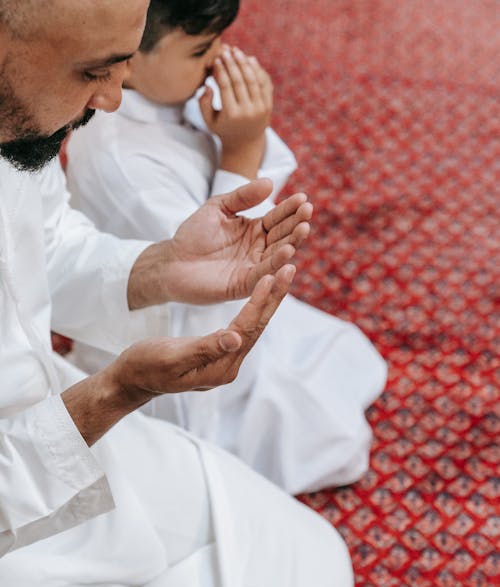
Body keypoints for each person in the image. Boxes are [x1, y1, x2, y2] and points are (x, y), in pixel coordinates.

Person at [0, 2, 353, 587]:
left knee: (311, 556)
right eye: (93, 71)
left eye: (123, 64)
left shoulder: (21, 124)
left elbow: (47, 243)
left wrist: (161, 267)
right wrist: (114, 394)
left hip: (54, 426)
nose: (112, 101)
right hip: (24, 493)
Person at [66, 0, 388, 495]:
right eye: (200, 49)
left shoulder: (164, 95)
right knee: (332, 441)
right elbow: (213, 270)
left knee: (339, 359)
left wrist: (238, 131)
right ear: (126, 55)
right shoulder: (122, 168)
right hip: (184, 336)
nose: (218, 58)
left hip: (213, 296)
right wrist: (241, 147)